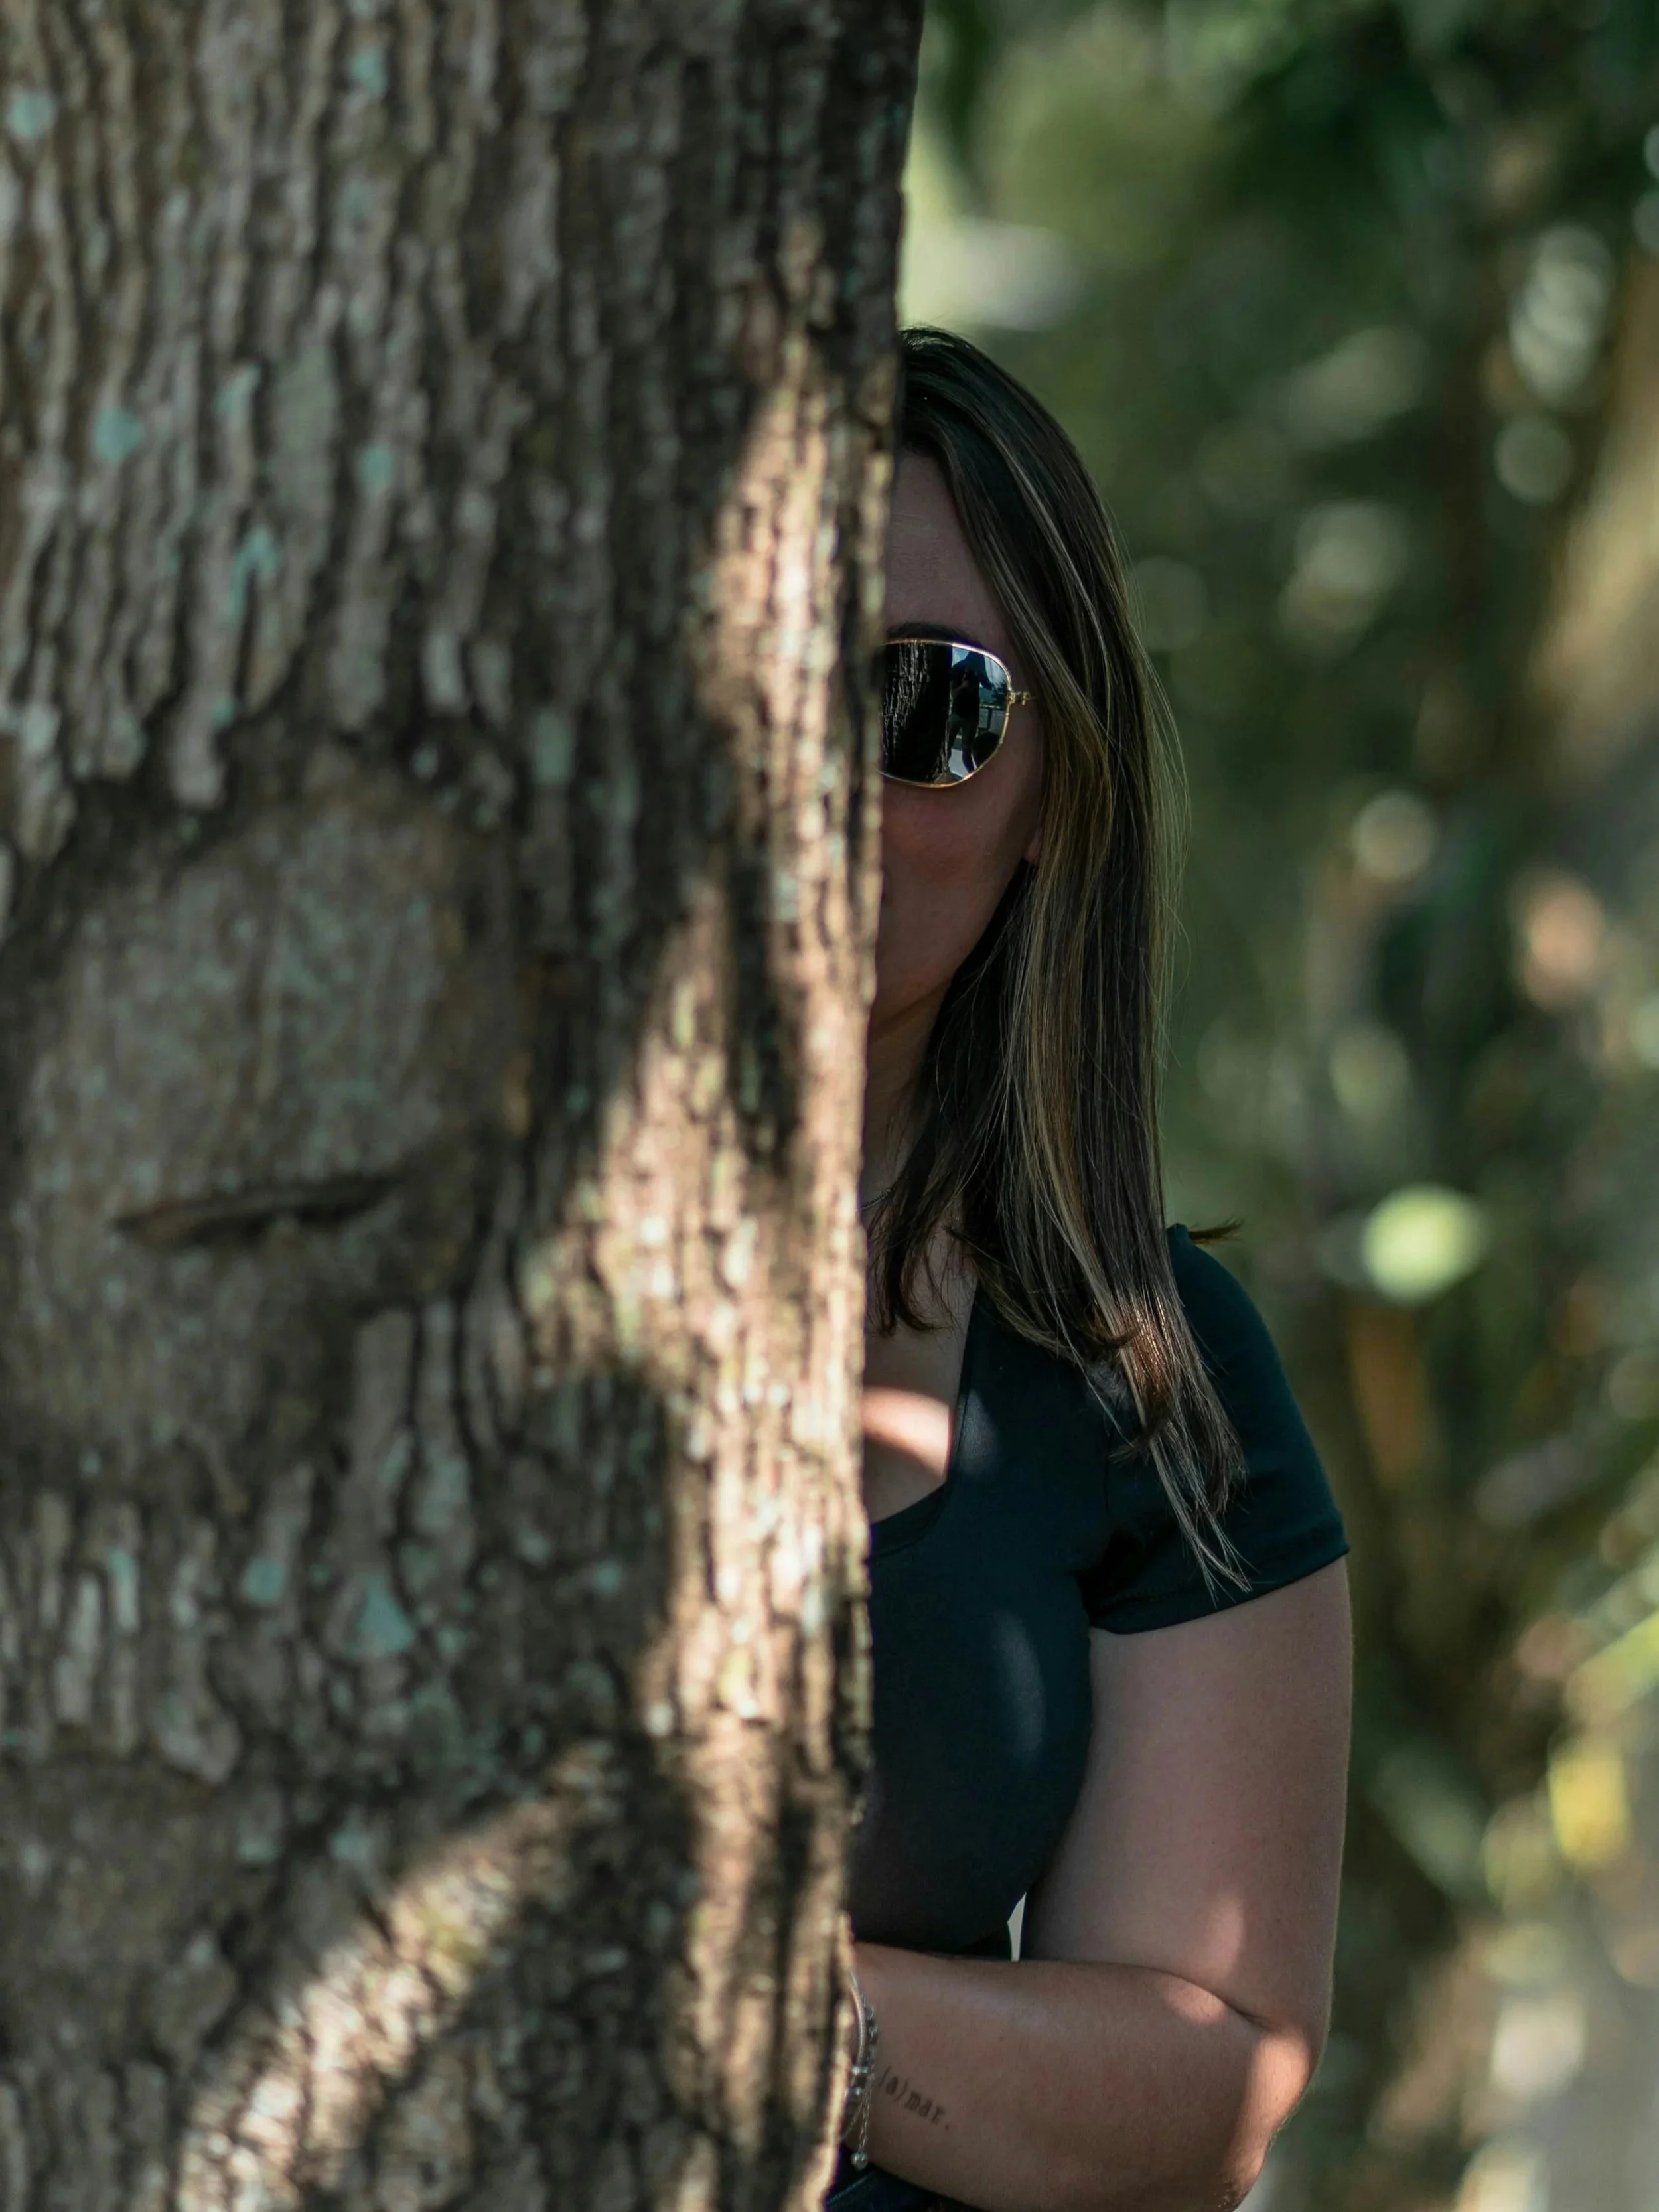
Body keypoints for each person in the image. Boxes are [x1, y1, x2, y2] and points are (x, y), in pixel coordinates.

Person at [828, 327, 1352, 2212]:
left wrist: (755, 2010)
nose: (813, 768)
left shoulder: (1145, 1365)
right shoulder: (342, 1251)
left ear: (1053, 784)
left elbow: (1201, 2086)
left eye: (921, 700)